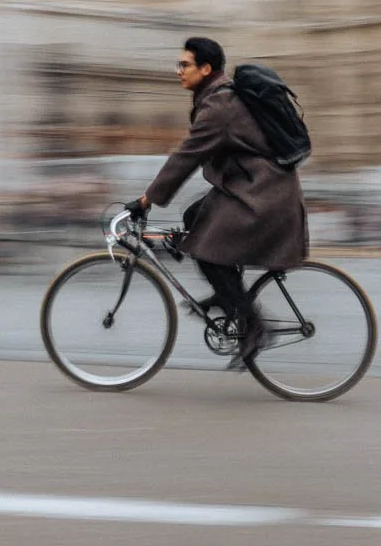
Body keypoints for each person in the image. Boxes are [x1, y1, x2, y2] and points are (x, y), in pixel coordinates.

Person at [127, 36, 309, 366]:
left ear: (206, 68)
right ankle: (230, 294)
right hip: (254, 188)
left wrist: (147, 199)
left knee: (204, 247)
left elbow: (187, 155)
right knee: (195, 216)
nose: (178, 71)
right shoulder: (216, 97)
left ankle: (254, 326)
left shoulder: (219, 105)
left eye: (184, 65)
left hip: (263, 195)